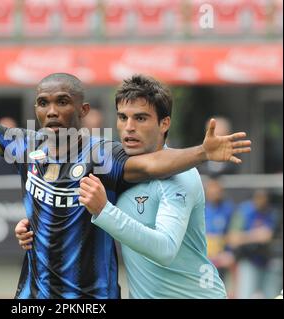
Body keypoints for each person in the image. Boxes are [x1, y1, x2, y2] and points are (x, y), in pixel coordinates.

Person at [0, 12, 250, 299]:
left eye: (62, 102)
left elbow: (153, 164)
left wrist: (202, 152)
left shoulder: (104, 156)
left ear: (84, 110)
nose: (52, 111)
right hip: (33, 295)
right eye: (43, 103)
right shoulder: (23, 147)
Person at [18, 75, 230, 298]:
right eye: (122, 117)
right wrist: (34, 226)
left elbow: (165, 249)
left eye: (140, 118)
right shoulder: (116, 167)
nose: (129, 127)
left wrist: (104, 210)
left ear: (164, 123)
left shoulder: (181, 174)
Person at [227, 189, 280, 299]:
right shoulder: (244, 211)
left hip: (267, 261)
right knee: (245, 295)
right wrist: (254, 236)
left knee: (273, 295)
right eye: (258, 198)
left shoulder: (271, 213)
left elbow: (269, 235)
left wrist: (264, 236)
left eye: (264, 198)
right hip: (248, 260)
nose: (261, 201)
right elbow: (232, 238)